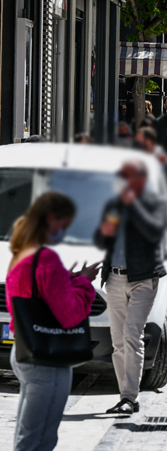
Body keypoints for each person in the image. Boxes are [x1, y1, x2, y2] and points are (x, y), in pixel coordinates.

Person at [6, 192, 99, 451]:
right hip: (47, 360)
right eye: (65, 224)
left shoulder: (22, 253)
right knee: (39, 439)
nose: (65, 230)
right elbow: (69, 314)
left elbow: (39, 294)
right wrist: (83, 282)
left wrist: (67, 279)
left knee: (28, 435)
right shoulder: (46, 258)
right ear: (51, 220)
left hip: (25, 349)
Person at [95, 160, 167, 415]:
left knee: (131, 335)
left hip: (143, 279)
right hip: (114, 278)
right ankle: (124, 395)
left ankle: (130, 397)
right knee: (118, 342)